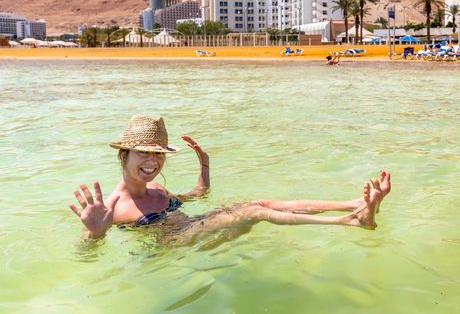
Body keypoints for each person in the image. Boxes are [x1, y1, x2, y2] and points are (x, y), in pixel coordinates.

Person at [70, 115, 391, 245]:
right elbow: (86, 251)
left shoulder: (157, 189)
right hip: (177, 246)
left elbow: (198, 195)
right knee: (255, 212)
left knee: (258, 202)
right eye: (144, 153)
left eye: (159, 155)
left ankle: (354, 204)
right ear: (124, 155)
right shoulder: (114, 206)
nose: (153, 161)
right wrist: (94, 234)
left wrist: (205, 166)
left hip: (193, 225)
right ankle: (349, 222)